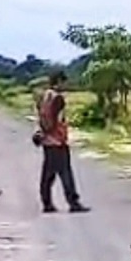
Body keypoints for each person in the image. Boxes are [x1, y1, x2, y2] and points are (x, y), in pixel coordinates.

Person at [36, 71, 90, 213]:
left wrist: (43, 133)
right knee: (65, 173)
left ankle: (46, 202)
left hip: (47, 141)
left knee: (48, 174)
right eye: (63, 82)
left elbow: (41, 116)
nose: (65, 85)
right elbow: (57, 120)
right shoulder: (58, 98)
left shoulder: (44, 96)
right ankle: (73, 202)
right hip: (57, 140)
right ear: (59, 81)